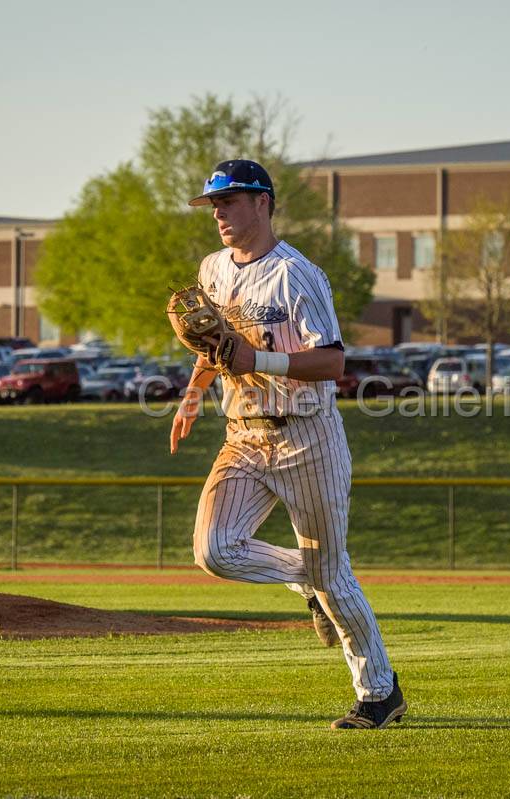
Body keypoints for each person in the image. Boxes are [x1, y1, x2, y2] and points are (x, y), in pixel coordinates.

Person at [169, 159, 406, 730]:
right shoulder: (214, 268)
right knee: (215, 551)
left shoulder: (297, 274)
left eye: (230, 202)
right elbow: (218, 344)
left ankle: (379, 693)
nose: (220, 213)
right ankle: (306, 577)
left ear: (264, 203)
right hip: (243, 435)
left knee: (334, 575)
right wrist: (193, 393)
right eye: (214, 205)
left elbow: (332, 362)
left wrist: (260, 360)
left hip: (307, 437)